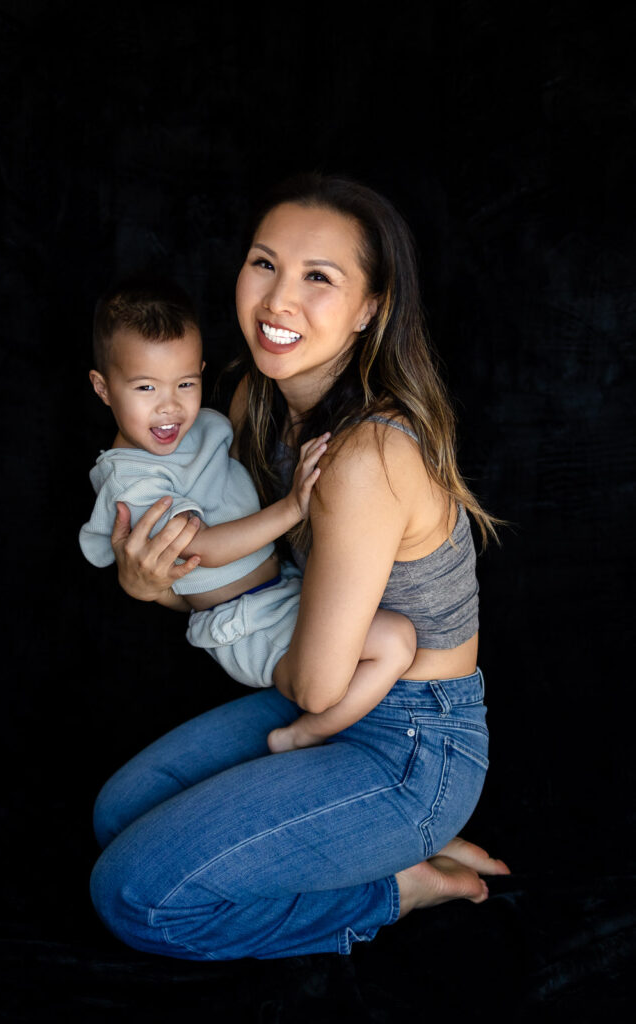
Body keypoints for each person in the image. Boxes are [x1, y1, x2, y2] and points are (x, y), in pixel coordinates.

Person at [89, 174, 510, 962]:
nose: (278, 300)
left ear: (368, 309)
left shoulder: (364, 456)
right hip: (333, 684)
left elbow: (313, 687)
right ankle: (354, 844)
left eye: (319, 277)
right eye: (264, 263)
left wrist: (215, 608)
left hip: (412, 742)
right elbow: (245, 581)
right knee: (118, 817)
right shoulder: (258, 401)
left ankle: (393, 883)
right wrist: (148, 586)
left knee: (133, 899)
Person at [79, 278, 418, 752]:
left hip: (278, 595)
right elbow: (199, 548)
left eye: (185, 383)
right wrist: (293, 507)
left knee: (393, 639)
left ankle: (338, 729)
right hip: (245, 623)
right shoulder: (133, 481)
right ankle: (306, 733)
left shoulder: (201, 431)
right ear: (103, 388)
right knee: (396, 641)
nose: (169, 406)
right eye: (144, 387)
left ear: (200, 372)